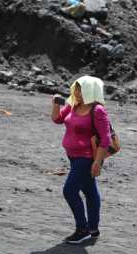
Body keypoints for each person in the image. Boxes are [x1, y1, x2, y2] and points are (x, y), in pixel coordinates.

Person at [50, 75, 112, 244]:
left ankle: (82, 229)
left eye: (80, 89)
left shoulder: (97, 110)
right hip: (72, 156)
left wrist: (97, 162)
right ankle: (93, 228)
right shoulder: (74, 105)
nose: (76, 92)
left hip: (86, 158)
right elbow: (57, 119)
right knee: (90, 191)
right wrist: (56, 103)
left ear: (90, 90)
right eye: (75, 88)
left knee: (69, 191)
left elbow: (105, 139)